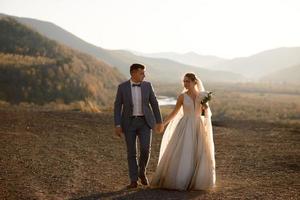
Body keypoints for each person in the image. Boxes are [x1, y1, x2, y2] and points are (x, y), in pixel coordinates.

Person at [150, 72, 216, 190]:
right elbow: (175, 113)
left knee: (199, 152)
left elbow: (206, 114)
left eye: (187, 81)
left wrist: (205, 108)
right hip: (185, 126)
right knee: (185, 151)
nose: (185, 84)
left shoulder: (202, 96)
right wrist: (163, 124)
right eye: (184, 81)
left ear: (194, 82)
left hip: (198, 126)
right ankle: (181, 179)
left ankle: (195, 181)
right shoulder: (182, 97)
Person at [114, 63, 163, 189]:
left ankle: (142, 171)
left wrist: (159, 121)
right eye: (141, 73)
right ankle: (133, 179)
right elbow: (117, 106)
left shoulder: (148, 86)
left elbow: (154, 104)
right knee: (131, 152)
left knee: (146, 149)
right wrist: (118, 124)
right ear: (133, 73)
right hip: (128, 123)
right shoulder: (122, 87)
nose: (144, 75)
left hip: (145, 123)